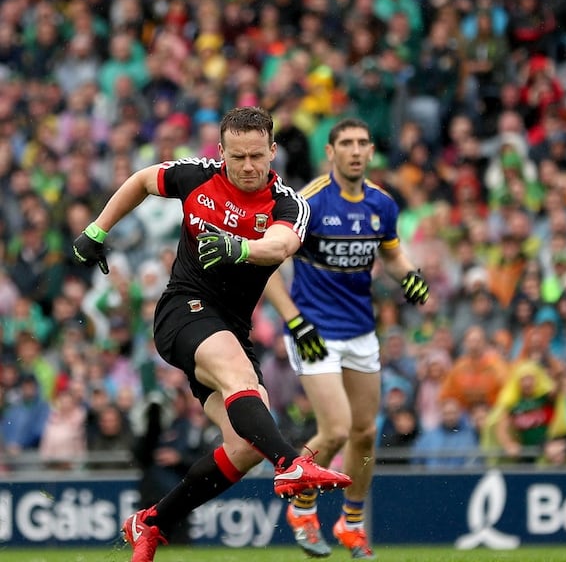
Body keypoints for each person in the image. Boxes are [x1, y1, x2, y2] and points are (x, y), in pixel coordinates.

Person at [70, 106, 353, 562]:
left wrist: (238, 246)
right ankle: (293, 464)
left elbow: (280, 246)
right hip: (183, 311)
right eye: (237, 156)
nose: (246, 166)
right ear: (220, 152)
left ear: (272, 152)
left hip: (230, 329)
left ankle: (152, 522)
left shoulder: (288, 204)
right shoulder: (196, 175)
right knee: (244, 383)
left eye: (256, 156)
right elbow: (143, 179)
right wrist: (98, 229)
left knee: (243, 446)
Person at [263, 117, 430, 560]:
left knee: (363, 432)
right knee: (334, 428)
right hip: (314, 330)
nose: (355, 151)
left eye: (362, 143)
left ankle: (351, 522)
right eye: (346, 144)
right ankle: (303, 508)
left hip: (360, 330)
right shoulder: (309, 202)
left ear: (371, 151)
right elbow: (266, 267)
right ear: (330, 153)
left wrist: (409, 277)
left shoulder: (382, 204)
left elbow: (392, 256)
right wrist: (295, 322)